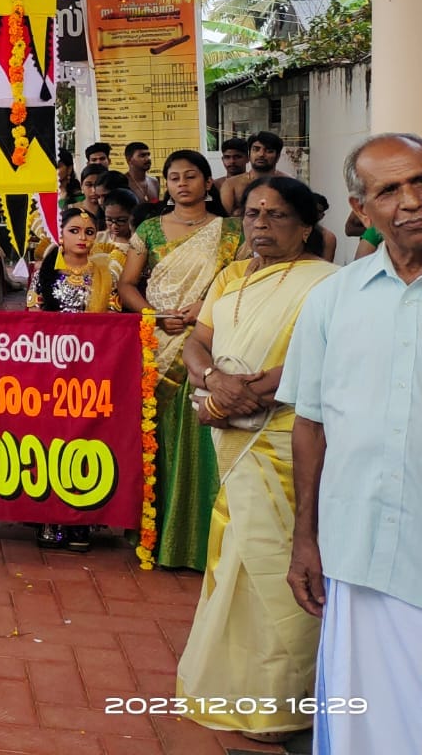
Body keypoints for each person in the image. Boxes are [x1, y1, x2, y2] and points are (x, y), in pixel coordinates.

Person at [173, 177, 334, 739]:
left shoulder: (329, 284)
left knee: (277, 560)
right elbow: (198, 341)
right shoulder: (230, 275)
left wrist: (246, 394)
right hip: (232, 430)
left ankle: (284, 703)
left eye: (277, 215)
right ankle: (228, 687)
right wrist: (214, 379)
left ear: (306, 225)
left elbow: (324, 361)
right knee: (234, 555)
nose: (262, 224)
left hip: (285, 440)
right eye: (253, 214)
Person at [277, 134, 422, 753]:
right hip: (357, 551)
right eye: (389, 190)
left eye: (420, 182)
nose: (411, 201)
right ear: (360, 210)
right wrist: (305, 537)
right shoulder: (332, 300)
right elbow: (310, 423)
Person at [118, 149, 244, 571]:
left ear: (208, 183)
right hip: (158, 343)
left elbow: (242, 283)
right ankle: (157, 534)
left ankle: (201, 540)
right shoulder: (150, 230)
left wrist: (204, 307)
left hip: (210, 342)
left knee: (203, 441)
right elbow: (127, 285)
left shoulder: (231, 232)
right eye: (173, 178)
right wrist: (154, 316)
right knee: (159, 436)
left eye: (191, 176)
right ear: (166, 185)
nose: (182, 184)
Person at [28, 204, 122, 551]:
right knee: (51, 440)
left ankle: (81, 521)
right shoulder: (46, 272)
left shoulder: (104, 274)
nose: (82, 238)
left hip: (91, 371)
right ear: (60, 235)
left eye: (89, 232)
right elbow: (33, 316)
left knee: (87, 439)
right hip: (51, 371)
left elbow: (112, 319)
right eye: (74, 231)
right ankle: (49, 517)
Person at [220, 130, 284, 215]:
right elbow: (225, 221)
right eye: (256, 149)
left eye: (269, 150)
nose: (261, 154)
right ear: (249, 154)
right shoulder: (231, 184)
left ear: (278, 156)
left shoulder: (288, 183)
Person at [96, 186, 139, 258]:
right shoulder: (98, 238)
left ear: (133, 217)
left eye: (121, 221)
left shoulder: (139, 245)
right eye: (109, 220)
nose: (114, 226)